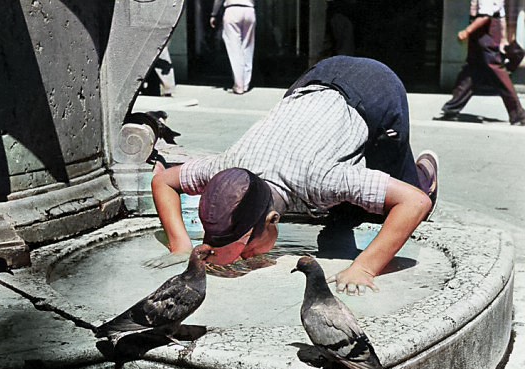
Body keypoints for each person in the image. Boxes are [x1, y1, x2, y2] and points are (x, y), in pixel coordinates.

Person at [149, 56, 438, 296]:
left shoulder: (321, 180)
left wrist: (364, 268)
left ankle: (426, 174)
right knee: (340, 212)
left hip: (374, 87)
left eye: (245, 251)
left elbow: (414, 203)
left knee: (389, 209)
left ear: (272, 220)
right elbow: (164, 181)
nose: (246, 258)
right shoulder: (224, 168)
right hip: (317, 76)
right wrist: (181, 246)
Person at [441, 0, 525, 125]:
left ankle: (518, 114)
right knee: (473, 70)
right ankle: (452, 108)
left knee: (496, 70)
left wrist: (467, 31)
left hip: (485, 30)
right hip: (483, 29)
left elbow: (486, 16)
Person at [210, 0, 256, 95]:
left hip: (232, 10)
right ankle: (246, 83)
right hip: (249, 10)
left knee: (234, 49)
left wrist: (214, 13)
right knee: (248, 47)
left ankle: (239, 85)